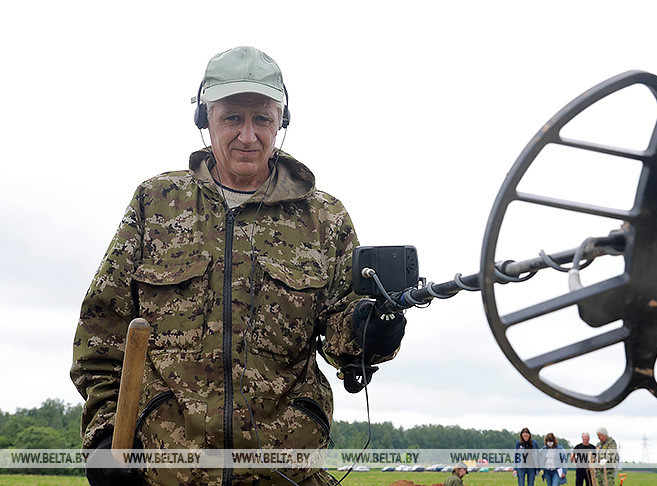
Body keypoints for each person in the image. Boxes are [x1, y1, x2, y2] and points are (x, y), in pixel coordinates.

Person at [70, 46, 407, 486]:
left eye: (262, 119)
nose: (248, 136)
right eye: (232, 118)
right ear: (204, 120)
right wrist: (104, 443)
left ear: (281, 122)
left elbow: (342, 344)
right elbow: (101, 339)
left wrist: (371, 329)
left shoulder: (324, 217)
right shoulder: (154, 204)